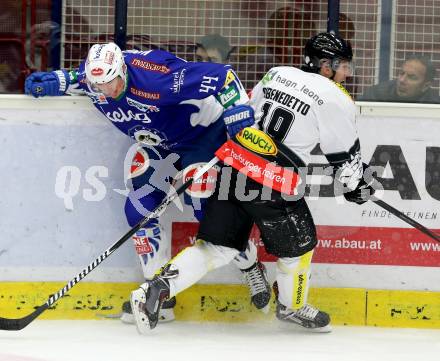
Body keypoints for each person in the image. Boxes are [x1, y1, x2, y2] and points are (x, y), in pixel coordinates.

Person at [130, 32, 374, 334]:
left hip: (234, 167)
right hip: (274, 182)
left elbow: (243, 116)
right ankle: (291, 307)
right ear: (325, 65)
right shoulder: (338, 99)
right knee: (298, 249)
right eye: (342, 65)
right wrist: (360, 188)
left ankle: (157, 287)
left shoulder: (276, 74)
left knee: (216, 247)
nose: (346, 72)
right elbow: (348, 174)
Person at [24, 42, 271, 323]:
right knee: (139, 209)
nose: (107, 91)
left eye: (111, 82)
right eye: (99, 84)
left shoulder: (157, 77)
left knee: (208, 212)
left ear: (123, 70)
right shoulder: (95, 79)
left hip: (202, 137)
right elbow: (78, 80)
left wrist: (238, 110)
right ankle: (160, 298)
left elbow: (223, 76)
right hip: (161, 146)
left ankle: (251, 267)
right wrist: (56, 80)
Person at [359, 55, 439, 103]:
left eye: (411, 77)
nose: (402, 80)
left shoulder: (434, 103)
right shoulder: (377, 94)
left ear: (425, 86)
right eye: (401, 73)